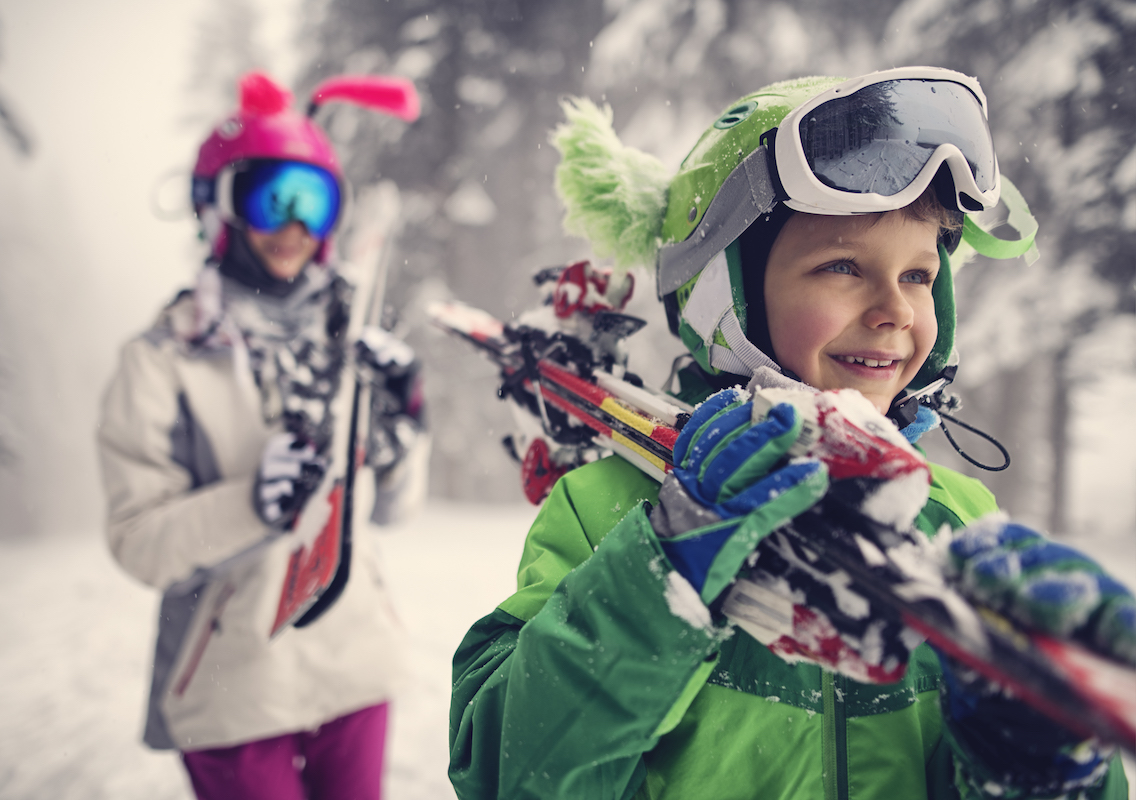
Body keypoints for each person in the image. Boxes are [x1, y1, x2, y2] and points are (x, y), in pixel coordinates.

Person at [448, 67, 1134, 799]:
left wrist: (1034, 768)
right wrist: (658, 575)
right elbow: (506, 770)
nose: (895, 310)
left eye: (917, 275)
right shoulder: (609, 508)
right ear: (725, 293)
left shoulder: (954, 517)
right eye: (843, 266)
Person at [97, 71, 428, 800]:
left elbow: (388, 512)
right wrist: (254, 504)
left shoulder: (346, 339)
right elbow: (137, 539)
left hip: (352, 657)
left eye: (314, 201)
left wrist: (404, 425)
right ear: (217, 206)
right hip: (231, 681)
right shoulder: (162, 359)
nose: (293, 226)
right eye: (269, 197)